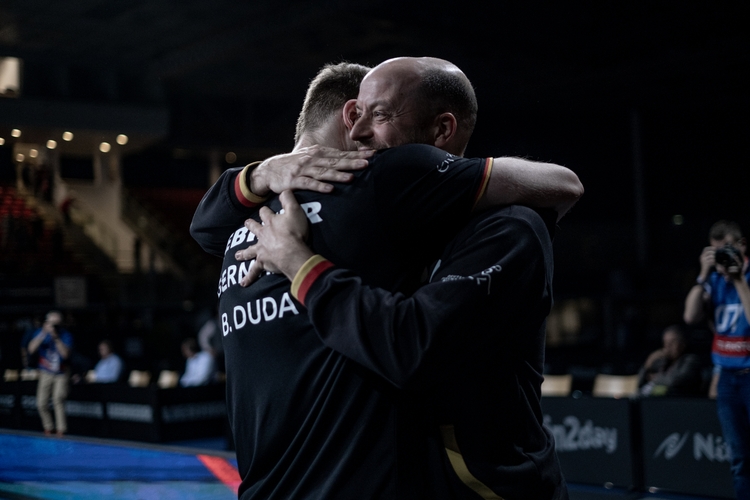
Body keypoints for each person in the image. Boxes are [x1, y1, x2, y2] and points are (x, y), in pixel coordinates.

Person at [191, 59, 581, 498]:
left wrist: (299, 259)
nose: (360, 134)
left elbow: (411, 344)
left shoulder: (241, 227)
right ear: (346, 114)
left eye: (378, 115)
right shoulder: (371, 190)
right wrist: (264, 173)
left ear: (442, 129)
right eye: (360, 115)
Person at [684, 219, 750, 499]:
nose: (722, 257)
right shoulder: (713, 280)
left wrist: (738, 280)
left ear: (742, 247)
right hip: (727, 381)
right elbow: (690, 316)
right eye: (716, 251)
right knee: (740, 459)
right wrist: (703, 273)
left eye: (726, 250)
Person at [26, 310, 73, 436]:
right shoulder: (41, 333)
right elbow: (31, 349)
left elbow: (65, 354)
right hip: (46, 371)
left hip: (61, 372)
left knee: (58, 398)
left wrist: (56, 337)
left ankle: (61, 430)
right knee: (41, 402)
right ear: (46, 323)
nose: (53, 326)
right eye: (51, 323)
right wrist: (43, 333)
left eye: (56, 324)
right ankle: (49, 427)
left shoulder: (65, 335)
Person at [637, 325, 702, 397]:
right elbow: (640, 381)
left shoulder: (691, 360)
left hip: (679, 401)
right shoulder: (662, 362)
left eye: (672, 342)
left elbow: (675, 381)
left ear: (683, 344)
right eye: (665, 342)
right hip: (656, 401)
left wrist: (655, 378)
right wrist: (648, 363)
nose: (668, 346)